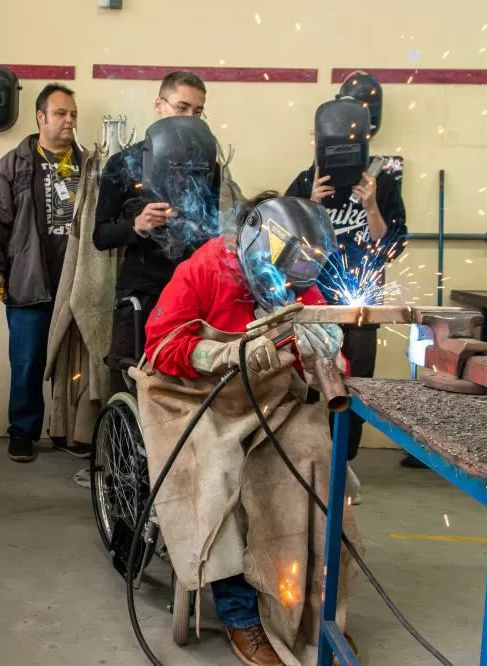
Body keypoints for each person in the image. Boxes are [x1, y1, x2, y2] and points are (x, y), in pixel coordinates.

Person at [138, 193, 360, 666]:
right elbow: (161, 346)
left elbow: (320, 359)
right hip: (196, 399)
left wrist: (329, 348)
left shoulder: (301, 276)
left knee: (316, 457)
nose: (291, 292)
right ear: (256, 244)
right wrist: (225, 355)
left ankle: (318, 613)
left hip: (270, 401)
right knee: (216, 474)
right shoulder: (204, 268)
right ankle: (241, 617)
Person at [285, 71, 409, 468]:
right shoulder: (309, 178)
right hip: (311, 304)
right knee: (306, 382)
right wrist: (308, 204)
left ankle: (343, 464)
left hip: (360, 305)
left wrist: (372, 207)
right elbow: (279, 243)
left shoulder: (385, 180)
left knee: (356, 388)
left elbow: (393, 248)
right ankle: (306, 456)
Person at [0, 83, 85, 463]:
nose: (69, 120)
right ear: (41, 117)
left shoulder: (88, 165)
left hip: (77, 284)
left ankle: (69, 432)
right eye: (61, 113)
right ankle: (22, 433)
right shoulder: (14, 164)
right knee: (26, 362)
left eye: (73, 113)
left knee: (76, 366)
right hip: (28, 280)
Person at [94, 70, 220, 396]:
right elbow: (100, 235)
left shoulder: (209, 165)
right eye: (181, 107)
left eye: (197, 111)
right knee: (127, 377)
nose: (189, 118)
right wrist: (137, 225)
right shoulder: (123, 164)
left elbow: (213, 229)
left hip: (192, 294)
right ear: (159, 106)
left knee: (188, 384)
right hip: (140, 293)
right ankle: (122, 446)